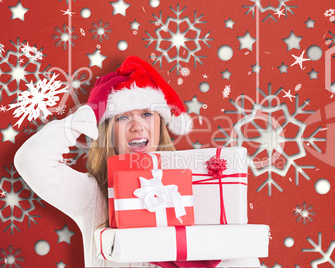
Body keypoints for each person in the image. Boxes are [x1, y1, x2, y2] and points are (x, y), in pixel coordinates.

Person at [14, 56, 260, 268]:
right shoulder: (92, 196)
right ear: (108, 131)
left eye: (146, 114)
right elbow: (31, 160)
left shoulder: (197, 190)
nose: (136, 126)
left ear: (160, 124)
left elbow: (241, 254)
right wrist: (88, 114)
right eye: (122, 118)